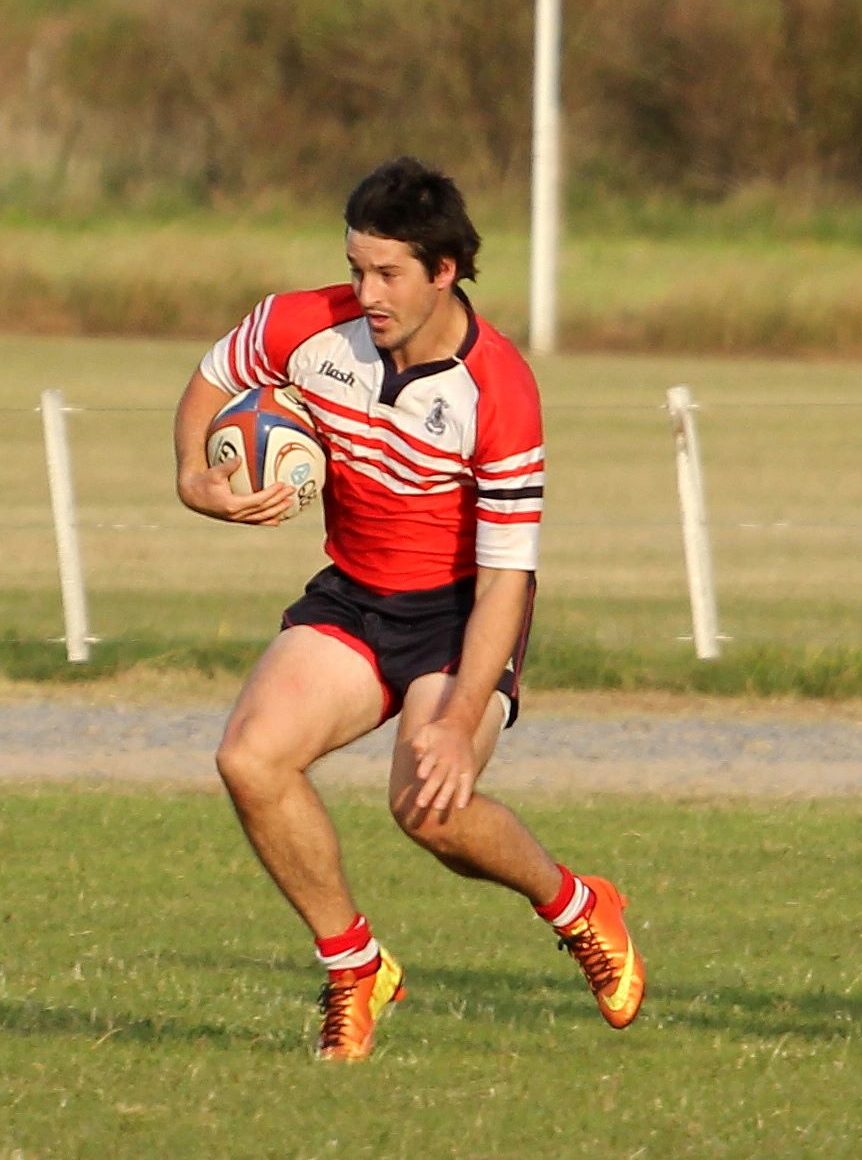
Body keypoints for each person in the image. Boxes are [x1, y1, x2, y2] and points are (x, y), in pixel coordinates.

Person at [172, 156, 644, 1061]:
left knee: (430, 812)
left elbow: (506, 579)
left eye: (387, 273)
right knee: (250, 759)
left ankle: (578, 904)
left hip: (459, 614)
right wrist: (194, 477)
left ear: (444, 270)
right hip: (354, 594)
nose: (366, 292)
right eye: (356, 267)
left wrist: (459, 720)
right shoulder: (301, 324)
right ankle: (354, 966)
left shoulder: (499, 389)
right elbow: (207, 382)